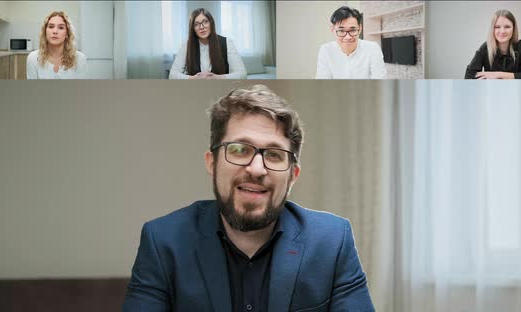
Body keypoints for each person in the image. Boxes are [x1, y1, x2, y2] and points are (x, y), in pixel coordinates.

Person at [122, 85, 375, 312]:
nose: (257, 169)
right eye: (240, 150)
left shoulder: (332, 241)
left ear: (293, 175)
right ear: (212, 163)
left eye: (274, 154)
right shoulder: (163, 241)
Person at [169, 8, 247, 79]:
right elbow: (172, 75)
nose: (202, 27)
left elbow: (242, 74)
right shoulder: (186, 45)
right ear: (192, 28)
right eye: (196, 24)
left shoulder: (227, 42)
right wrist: (192, 79)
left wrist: (218, 78)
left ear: (211, 23)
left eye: (205, 22)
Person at [315, 6, 386, 79]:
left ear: (360, 28)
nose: (348, 37)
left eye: (352, 30)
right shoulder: (326, 50)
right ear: (332, 29)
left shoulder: (372, 48)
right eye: (341, 31)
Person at [465, 9, 521, 79]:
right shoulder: (486, 47)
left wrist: (498, 74)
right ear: (492, 29)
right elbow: (469, 76)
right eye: (497, 27)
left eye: (507, 27)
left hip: (515, 90)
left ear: (513, 29)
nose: (502, 31)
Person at [26, 11, 87, 79]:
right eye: (51, 27)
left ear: (67, 34)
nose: (55, 31)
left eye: (61, 28)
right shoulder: (33, 58)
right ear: (45, 31)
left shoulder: (80, 59)